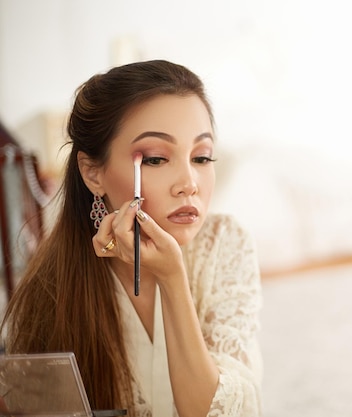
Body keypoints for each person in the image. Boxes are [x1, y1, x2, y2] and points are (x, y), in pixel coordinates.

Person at [0, 60, 263, 417]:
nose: (189, 183)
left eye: (201, 157)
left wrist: (172, 278)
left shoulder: (223, 244)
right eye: (155, 159)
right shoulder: (49, 290)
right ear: (93, 173)